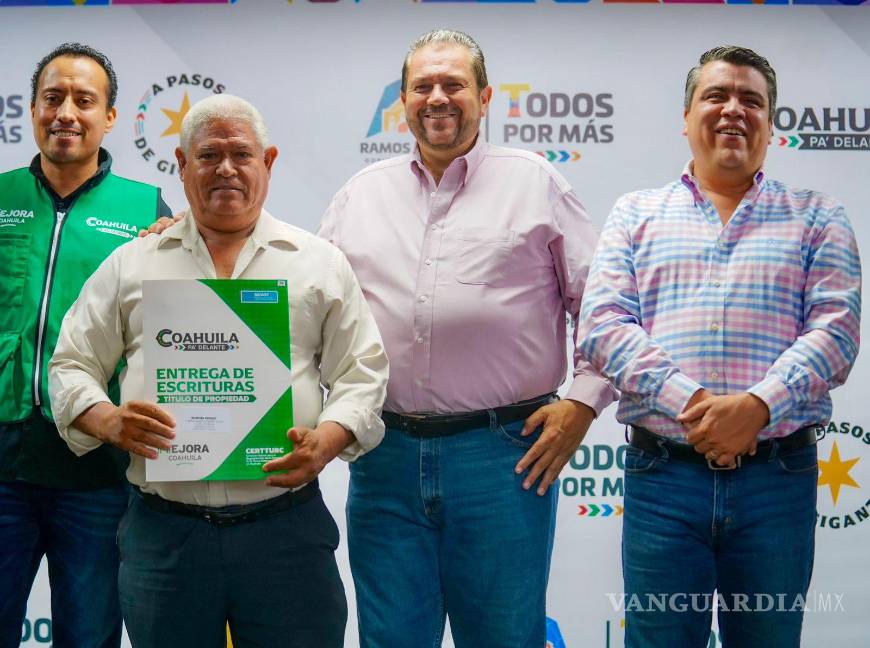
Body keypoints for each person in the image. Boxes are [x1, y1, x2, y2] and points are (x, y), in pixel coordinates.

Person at [49, 94, 388, 648]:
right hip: (165, 537)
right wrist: (105, 419)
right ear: (183, 166)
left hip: (286, 533)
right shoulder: (133, 263)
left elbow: (362, 371)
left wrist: (329, 438)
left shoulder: (318, 262)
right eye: (208, 156)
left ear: (268, 162)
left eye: (241, 154)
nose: (226, 168)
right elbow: (72, 363)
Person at [319, 29, 616, 648]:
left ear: (483, 96)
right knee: (391, 639)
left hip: (504, 457)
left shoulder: (536, 184)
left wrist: (584, 404)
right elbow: (307, 303)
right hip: (385, 457)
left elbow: (604, 307)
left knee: (504, 637)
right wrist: (197, 240)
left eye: (453, 84)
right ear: (402, 100)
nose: (437, 97)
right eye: (422, 86)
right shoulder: (359, 195)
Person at [579, 46, 861, 647]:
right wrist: (698, 404)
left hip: (775, 480)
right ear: (686, 118)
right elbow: (602, 325)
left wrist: (757, 407)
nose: (734, 109)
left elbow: (836, 333)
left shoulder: (818, 216)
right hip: (664, 478)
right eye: (717, 96)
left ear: (770, 125)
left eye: (751, 100)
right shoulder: (635, 213)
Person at [0, 42, 171, 648]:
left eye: (84, 100)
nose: (66, 113)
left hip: (97, 470)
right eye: (53, 98)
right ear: (32, 109)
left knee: (91, 635)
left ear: (110, 116)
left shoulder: (146, 210)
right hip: (2, 465)